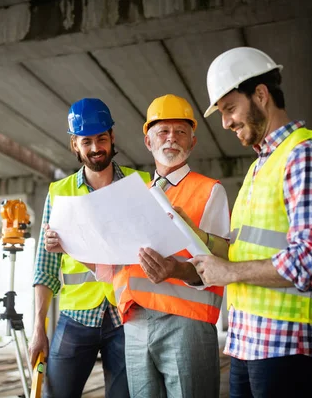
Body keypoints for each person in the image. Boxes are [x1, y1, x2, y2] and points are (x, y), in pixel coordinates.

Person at [189, 47, 312, 397]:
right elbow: (243, 249)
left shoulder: (305, 156)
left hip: (290, 343)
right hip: (249, 341)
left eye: (230, 108)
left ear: (261, 95)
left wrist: (228, 272)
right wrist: (189, 234)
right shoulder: (260, 166)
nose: (225, 122)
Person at [28, 98, 151, 398]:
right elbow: (45, 268)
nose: (96, 148)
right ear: (75, 145)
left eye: (101, 139)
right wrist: (38, 328)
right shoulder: (59, 193)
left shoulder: (142, 184)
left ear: (112, 138)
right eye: (87, 141)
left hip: (127, 314)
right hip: (76, 316)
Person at [113, 94, 231, 397]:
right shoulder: (134, 196)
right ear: (148, 142)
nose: (171, 138)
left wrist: (177, 270)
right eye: (162, 132)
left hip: (187, 322)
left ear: (192, 143)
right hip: (136, 321)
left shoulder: (210, 191)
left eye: (180, 132)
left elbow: (221, 264)